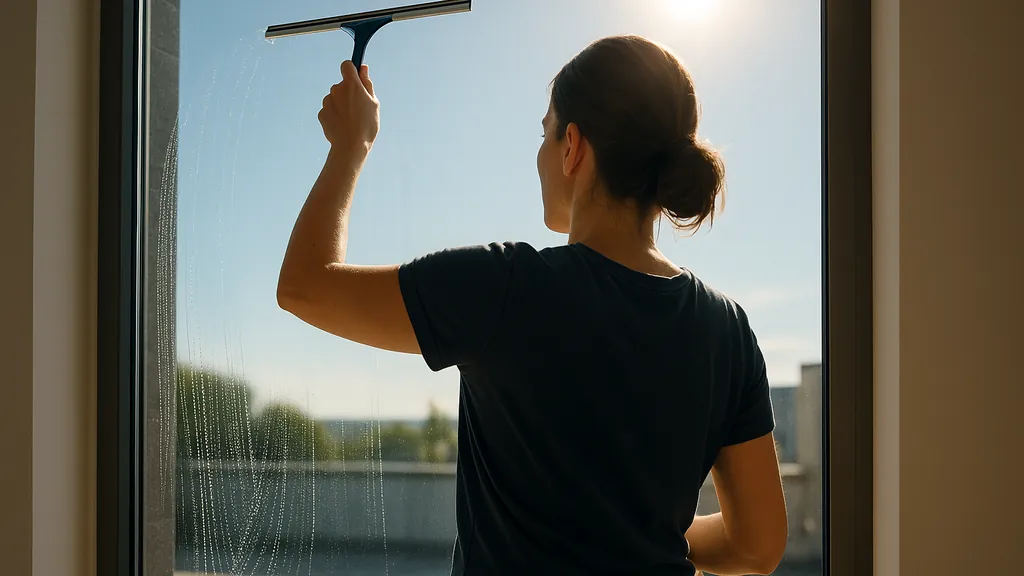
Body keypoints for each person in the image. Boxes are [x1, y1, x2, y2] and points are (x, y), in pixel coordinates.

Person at [277, 35, 788, 576]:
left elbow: (305, 286)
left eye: (545, 134)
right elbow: (757, 547)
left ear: (573, 147)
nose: (540, 155)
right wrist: (638, 530)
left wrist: (350, 146)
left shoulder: (505, 287)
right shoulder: (728, 329)